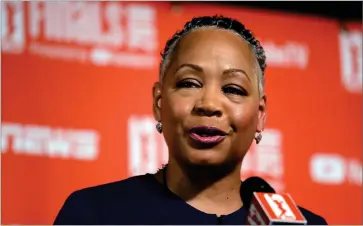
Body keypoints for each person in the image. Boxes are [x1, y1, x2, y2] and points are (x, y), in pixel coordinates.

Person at [54, 15, 328, 225]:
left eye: (232, 89)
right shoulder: (95, 212)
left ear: (259, 115)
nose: (208, 104)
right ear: (159, 103)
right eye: (189, 83)